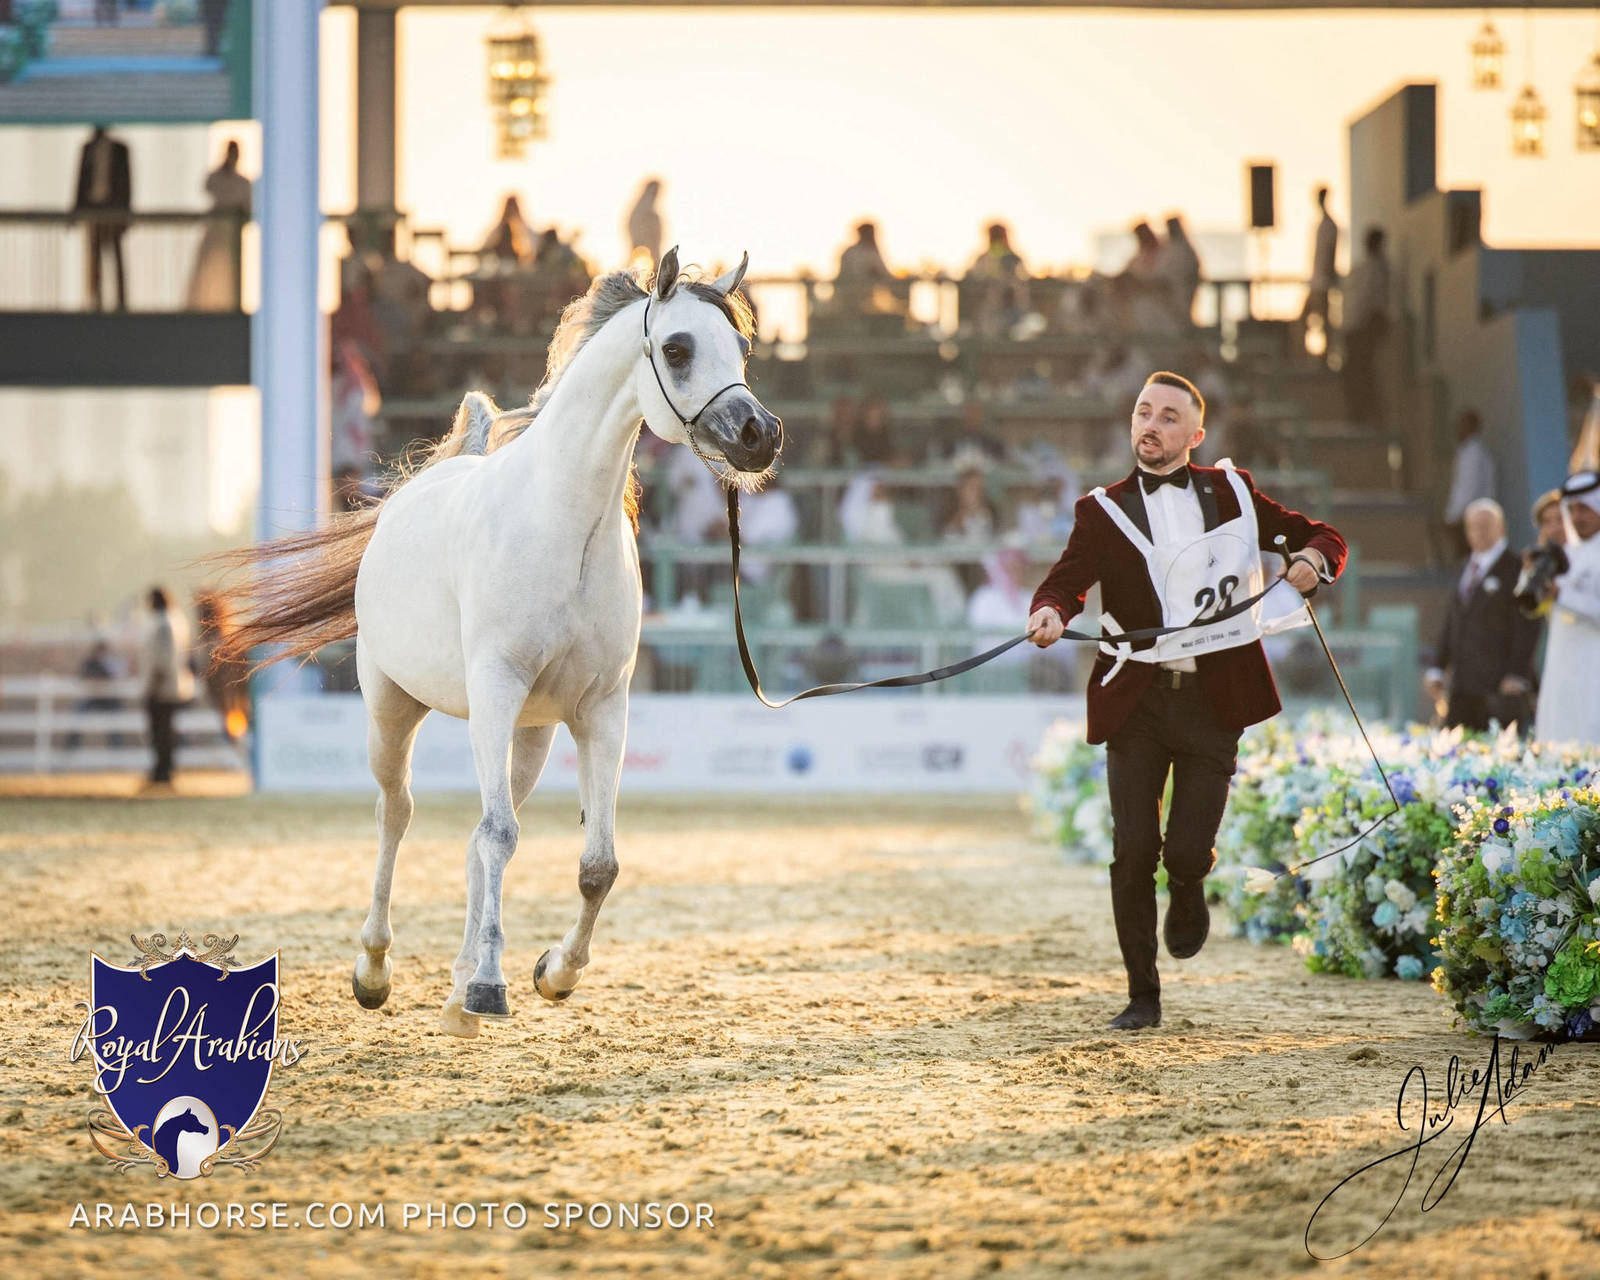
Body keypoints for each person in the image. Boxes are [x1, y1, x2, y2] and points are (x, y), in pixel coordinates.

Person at [1026, 371, 1347, 1030]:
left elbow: (1322, 536)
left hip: (1212, 701)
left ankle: (1190, 882)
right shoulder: (1101, 510)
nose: (1151, 425)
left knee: (1183, 853)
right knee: (1133, 851)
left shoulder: (1233, 492)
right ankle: (1142, 997)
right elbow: (1066, 581)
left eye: (1169, 417)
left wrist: (1312, 561)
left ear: (1196, 435)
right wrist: (1051, 610)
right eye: (1144, 412)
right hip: (1136, 703)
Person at [1423, 499, 1538, 732]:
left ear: (1501, 527)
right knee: (1455, 746)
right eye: (1473, 526)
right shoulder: (1465, 566)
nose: (1479, 532)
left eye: (1485, 525)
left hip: (1500, 687)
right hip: (1462, 686)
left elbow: (1527, 624)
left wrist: (1517, 673)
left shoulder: (1516, 568)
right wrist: (1438, 667)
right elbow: (1453, 621)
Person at [1532, 471, 1600, 746]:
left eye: (1584, 508)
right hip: (1560, 669)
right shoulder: (1566, 554)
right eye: (1572, 509)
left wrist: (1563, 595)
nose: (1577, 516)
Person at [186, 140, 251, 310]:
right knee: (209, 265)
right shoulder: (215, 177)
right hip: (216, 227)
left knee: (227, 267)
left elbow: (247, 206)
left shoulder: (242, 182)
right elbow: (208, 187)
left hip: (230, 230)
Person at [73, 125, 133, 313]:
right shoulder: (87, 149)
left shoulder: (120, 149)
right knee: (95, 258)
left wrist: (126, 213)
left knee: (115, 255)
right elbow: (80, 181)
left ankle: (121, 300)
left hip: (113, 210)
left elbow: (126, 182)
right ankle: (96, 299)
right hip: (94, 210)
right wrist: (76, 210)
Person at [142, 586, 195, 789]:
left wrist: (154, 684)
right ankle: (165, 768)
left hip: (162, 686)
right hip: (172, 684)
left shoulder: (163, 624)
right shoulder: (175, 621)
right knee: (166, 728)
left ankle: (163, 769)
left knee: (161, 730)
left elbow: (163, 658)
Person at [1341, 226, 1391, 427]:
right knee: (1358, 373)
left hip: (1361, 329)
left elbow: (1367, 302)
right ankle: (1362, 414)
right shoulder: (1369, 270)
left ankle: (1365, 415)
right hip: (1358, 329)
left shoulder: (1372, 270)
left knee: (1362, 373)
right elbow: (1363, 301)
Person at [1442, 409, 1497, 561]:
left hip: (1470, 517)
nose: (1457, 429)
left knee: (1472, 559)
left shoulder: (1473, 454)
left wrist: (1452, 517)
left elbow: (1467, 489)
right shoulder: (1466, 452)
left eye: (1462, 425)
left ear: (1472, 427)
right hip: (1470, 516)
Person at [1297, 186, 1340, 359]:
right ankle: (1307, 355)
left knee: (1323, 321)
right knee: (1307, 320)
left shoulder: (1329, 226)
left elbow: (1330, 254)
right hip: (1316, 281)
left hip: (1322, 283)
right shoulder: (1324, 224)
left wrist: (1328, 278)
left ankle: (1324, 357)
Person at [625, 178, 663, 268]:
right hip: (641, 240)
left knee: (656, 263)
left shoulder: (646, 209)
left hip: (649, 243)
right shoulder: (641, 210)